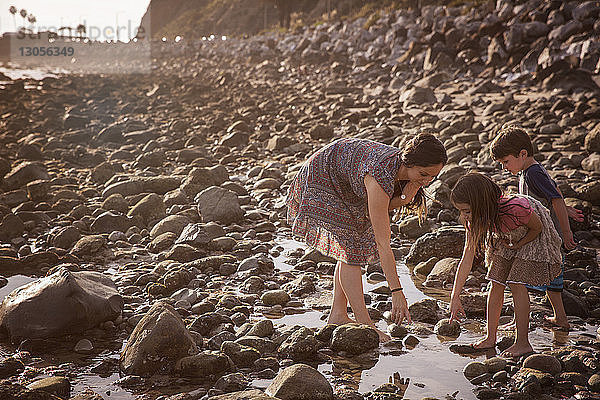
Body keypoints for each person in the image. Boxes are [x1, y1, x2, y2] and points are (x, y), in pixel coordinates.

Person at [287, 133, 447, 341]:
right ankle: (365, 323)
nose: (427, 182)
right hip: (324, 175)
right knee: (351, 251)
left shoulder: (400, 172)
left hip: (345, 176)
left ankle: (338, 314)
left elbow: (382, 205)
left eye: (432, 177)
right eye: (424, 174)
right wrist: (396, 291)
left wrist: (411, 191)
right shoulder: (380, 175)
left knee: (351, 246)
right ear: (409, 162)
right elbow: (383, 244)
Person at [449, 173, 563, 358]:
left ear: (483, 206)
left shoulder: (516, 208)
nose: (464, 216)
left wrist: (519, 244)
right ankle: (490, 337)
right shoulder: (474, 220)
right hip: (507, 236)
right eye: (461, 211)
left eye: (467, 211)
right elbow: (466, 257)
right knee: (495, 281)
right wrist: (455, 296)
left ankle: (523, 343)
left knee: (516, 283)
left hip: (532, 236)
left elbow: (537, 227)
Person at [490, 125, 584, 330]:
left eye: (506, 162)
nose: (504, 168)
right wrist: (567, 209)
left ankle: (544, 319)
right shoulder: (529, 170)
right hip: (539, 233)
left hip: (548, 236)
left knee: (522, 279)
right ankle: (559, 318)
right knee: (550, 279)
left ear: (522, 154)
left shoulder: (533, 174)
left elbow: (556, 197)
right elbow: (555, 189)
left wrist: (566, 233)